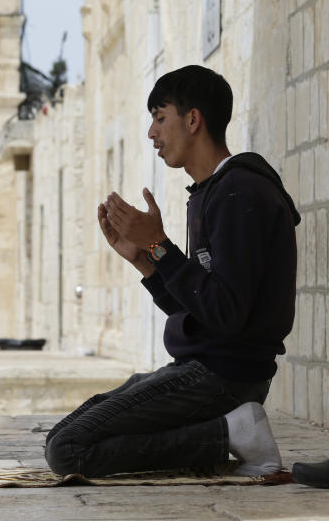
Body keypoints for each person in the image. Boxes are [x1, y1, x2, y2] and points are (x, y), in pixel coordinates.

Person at [44, 65, 300, 478]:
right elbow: (198, 309)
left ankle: (231, 432)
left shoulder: (240, 192)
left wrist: (159, 245)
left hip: (224, 376)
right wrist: (146, 261)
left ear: (193, 119)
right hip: (203, 368)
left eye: (160, 118)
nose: (150, 133)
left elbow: (227, 314)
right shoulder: (210, 193)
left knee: (68, 450)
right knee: (66, 431)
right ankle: (228, 432)